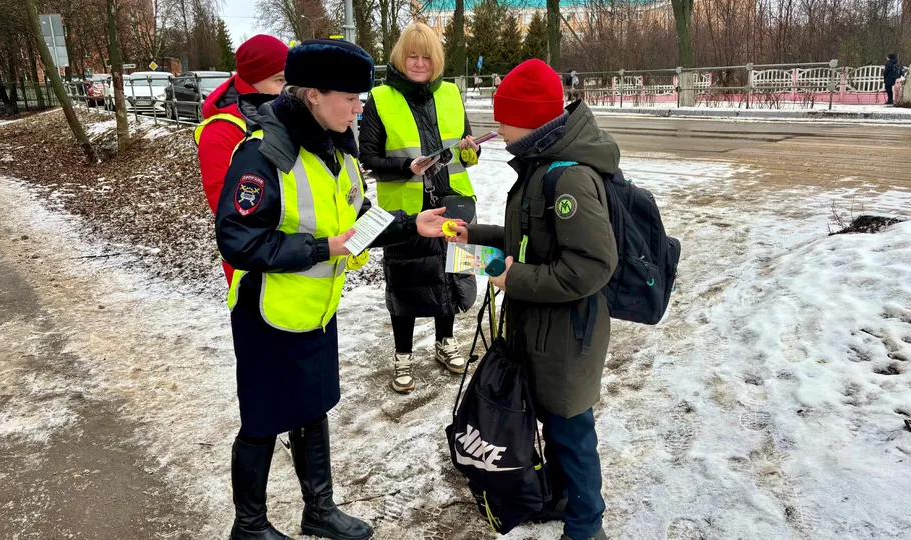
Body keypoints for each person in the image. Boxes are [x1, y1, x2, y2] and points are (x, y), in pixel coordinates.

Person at [215, 39, 462, 540]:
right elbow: (238, 240)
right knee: (263, 419)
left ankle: (319, 510)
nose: (358, 109)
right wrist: (321, 248)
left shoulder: (336, 150)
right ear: (313, 95)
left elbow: (358, 219)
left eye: (360, 99)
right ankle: (250, 526)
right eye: (350, 99)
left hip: (318, 309)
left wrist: (413, 224)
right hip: (267, 313)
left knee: (314, 407)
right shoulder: (263, 153)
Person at [448, 59, 618, 540]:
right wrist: (474, 235)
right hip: (540, 326)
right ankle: (561, 498)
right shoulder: (538, 166)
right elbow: (528, 240)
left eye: (504, 119)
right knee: (553, 424)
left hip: (568, 334)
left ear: (529, 120)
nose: (497, 128)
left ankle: (586, 526)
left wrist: (513, 278)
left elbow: (591, 266)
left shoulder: (568, 179)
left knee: (571, 431)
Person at [359, 22, 481, 394]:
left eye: (426, 57)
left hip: (455, 201)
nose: (419, 63)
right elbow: (368, 158)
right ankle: (403, 356)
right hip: (406, 213)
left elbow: (466, 152)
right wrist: (405, 167)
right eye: (412, 56)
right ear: (400, 57)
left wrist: (471, 151)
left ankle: (446, 341)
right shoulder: (380, 98)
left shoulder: (451, 93)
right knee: (405, 285)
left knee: (454, 276)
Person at [196, 34, 288, 285]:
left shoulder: (281, 115)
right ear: (252, 81)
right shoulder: (221, 130)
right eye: (280, 80)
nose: (287, 88)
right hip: (254, 258)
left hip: (295, 250)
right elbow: (229, 206)